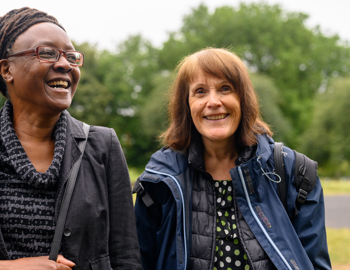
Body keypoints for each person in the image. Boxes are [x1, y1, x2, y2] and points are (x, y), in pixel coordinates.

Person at [0, 7, 141, 270]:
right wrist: (3, 267)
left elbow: (126, 258)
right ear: (7, 69)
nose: (65, 64)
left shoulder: (103, 146)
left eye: (71, 56)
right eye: (47, 53)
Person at [134, 48, 331, 270]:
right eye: (200, 91)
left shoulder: (295, 172)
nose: (213, 101)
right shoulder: (158, 182)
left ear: (243, 98)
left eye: (225, 88)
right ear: (186, 105)